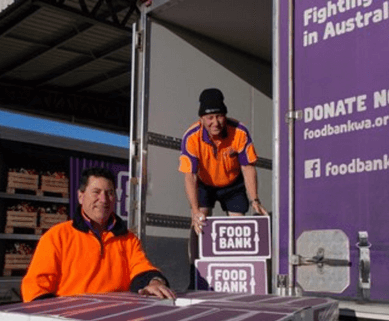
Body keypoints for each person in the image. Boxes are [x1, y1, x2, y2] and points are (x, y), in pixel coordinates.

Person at [21, 167, 175, 302]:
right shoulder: (57, 236)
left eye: (109, 193)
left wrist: (154, 281)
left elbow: (141, 268)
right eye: (96, 192)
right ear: (80, 196)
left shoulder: (128, 239)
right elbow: (35, 288)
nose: (103, 199)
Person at [179, 88, 268, 234]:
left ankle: (236, 256)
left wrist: (255, 200)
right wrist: (195, 211)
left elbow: (247, 167)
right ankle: (194, 255)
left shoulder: (239, 132)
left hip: (232, 183)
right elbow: (190, 175)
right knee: (199, 222)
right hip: (204, 183)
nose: (215, 123)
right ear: (201, 119)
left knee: (239, 227)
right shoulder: (191, 137)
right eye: (210, 117)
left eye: (219, 116)